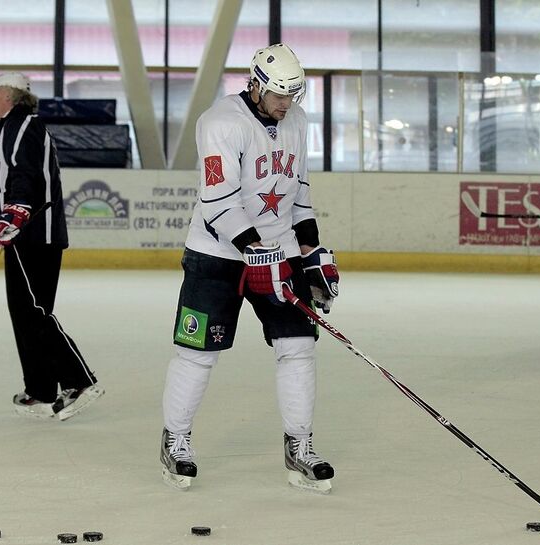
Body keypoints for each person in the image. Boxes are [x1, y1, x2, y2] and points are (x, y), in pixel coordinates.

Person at [159, 44, 340, 493]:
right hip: (215, 256)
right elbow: (218, 201)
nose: (285, 104)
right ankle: (175, 441)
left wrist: (311, 252)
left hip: (279, 255)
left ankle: (299, 447)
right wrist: (256, 253)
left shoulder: (295, 121)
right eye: (279, 94)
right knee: (198, 353)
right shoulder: (219, 123)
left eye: (293, 95)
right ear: (255, 84)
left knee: (298, 346)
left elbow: (299, 191)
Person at [0, 72, 104, 420]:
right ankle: (40, 390)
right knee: (27, 312)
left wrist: (14, 214)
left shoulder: (20, 125)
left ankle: (78, 380)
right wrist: (1, 218)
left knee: (31, 312)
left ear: (9, 96)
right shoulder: (17, 125)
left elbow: (25, 175)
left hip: (34, 234)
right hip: (33, 234)